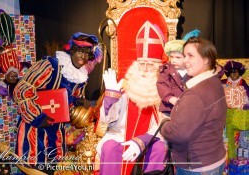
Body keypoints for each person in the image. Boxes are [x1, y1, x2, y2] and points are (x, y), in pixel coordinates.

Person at [13, 32, 102, 173]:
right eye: (80, 51)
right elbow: (22, 90)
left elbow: (68, 105)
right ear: (72, 50)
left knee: (53, 169)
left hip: (57, 132)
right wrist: (37, 117)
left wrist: (77, 102)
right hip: (35, 130)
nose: (83, 57)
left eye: (87, 54)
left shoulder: (81, 78)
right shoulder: (50, 65)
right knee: (30, 169)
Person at [95, 21, 167, 175]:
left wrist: (142, 141)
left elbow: (165, 123)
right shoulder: (123, 86)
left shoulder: (165, 90)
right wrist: (110, 97)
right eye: (142, 63)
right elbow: (107, 122)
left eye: (151, 63)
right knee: (109, 147)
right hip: (120, 136)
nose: (146, 68)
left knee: (159, 148)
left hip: (151, 138)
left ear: (158, 66)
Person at [160, 36, 227, 175]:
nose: (185, 60)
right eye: (184, 55)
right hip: (214, 159)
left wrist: (163, 124)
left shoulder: (196, 93)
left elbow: (178, 134)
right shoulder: (214, 82)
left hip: (196, 165)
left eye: (190, 55)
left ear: (206, 59)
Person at [0, 5, 31, 98]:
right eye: (15, 77)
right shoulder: (19, 67)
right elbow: (27, 64)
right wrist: (31, 73)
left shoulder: (3, 70)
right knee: (8, 23)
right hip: (9, 43)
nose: (13, 75)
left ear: (6, 77)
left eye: (11, 78)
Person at [156, 30, 200, 116]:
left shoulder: (193, 70)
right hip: (169, 108)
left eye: (178, 57)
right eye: (171, 57)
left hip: (189, 108)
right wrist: (169, 98)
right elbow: (161, 84)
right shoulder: (166, 69)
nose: (173, 60)